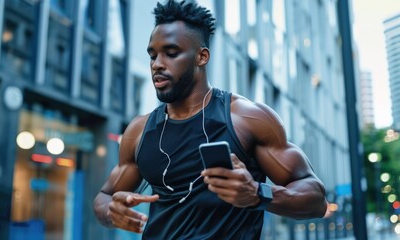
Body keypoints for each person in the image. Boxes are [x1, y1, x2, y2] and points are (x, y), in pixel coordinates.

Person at [93, 0, 328, 239]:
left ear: (202, 57)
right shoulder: (140, 130)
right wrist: (111, 211)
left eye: (171, 53)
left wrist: (258, 193)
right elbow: (104, 197)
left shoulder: (247, 119)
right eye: (153, 55)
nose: (157, 64)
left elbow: (317, 200)